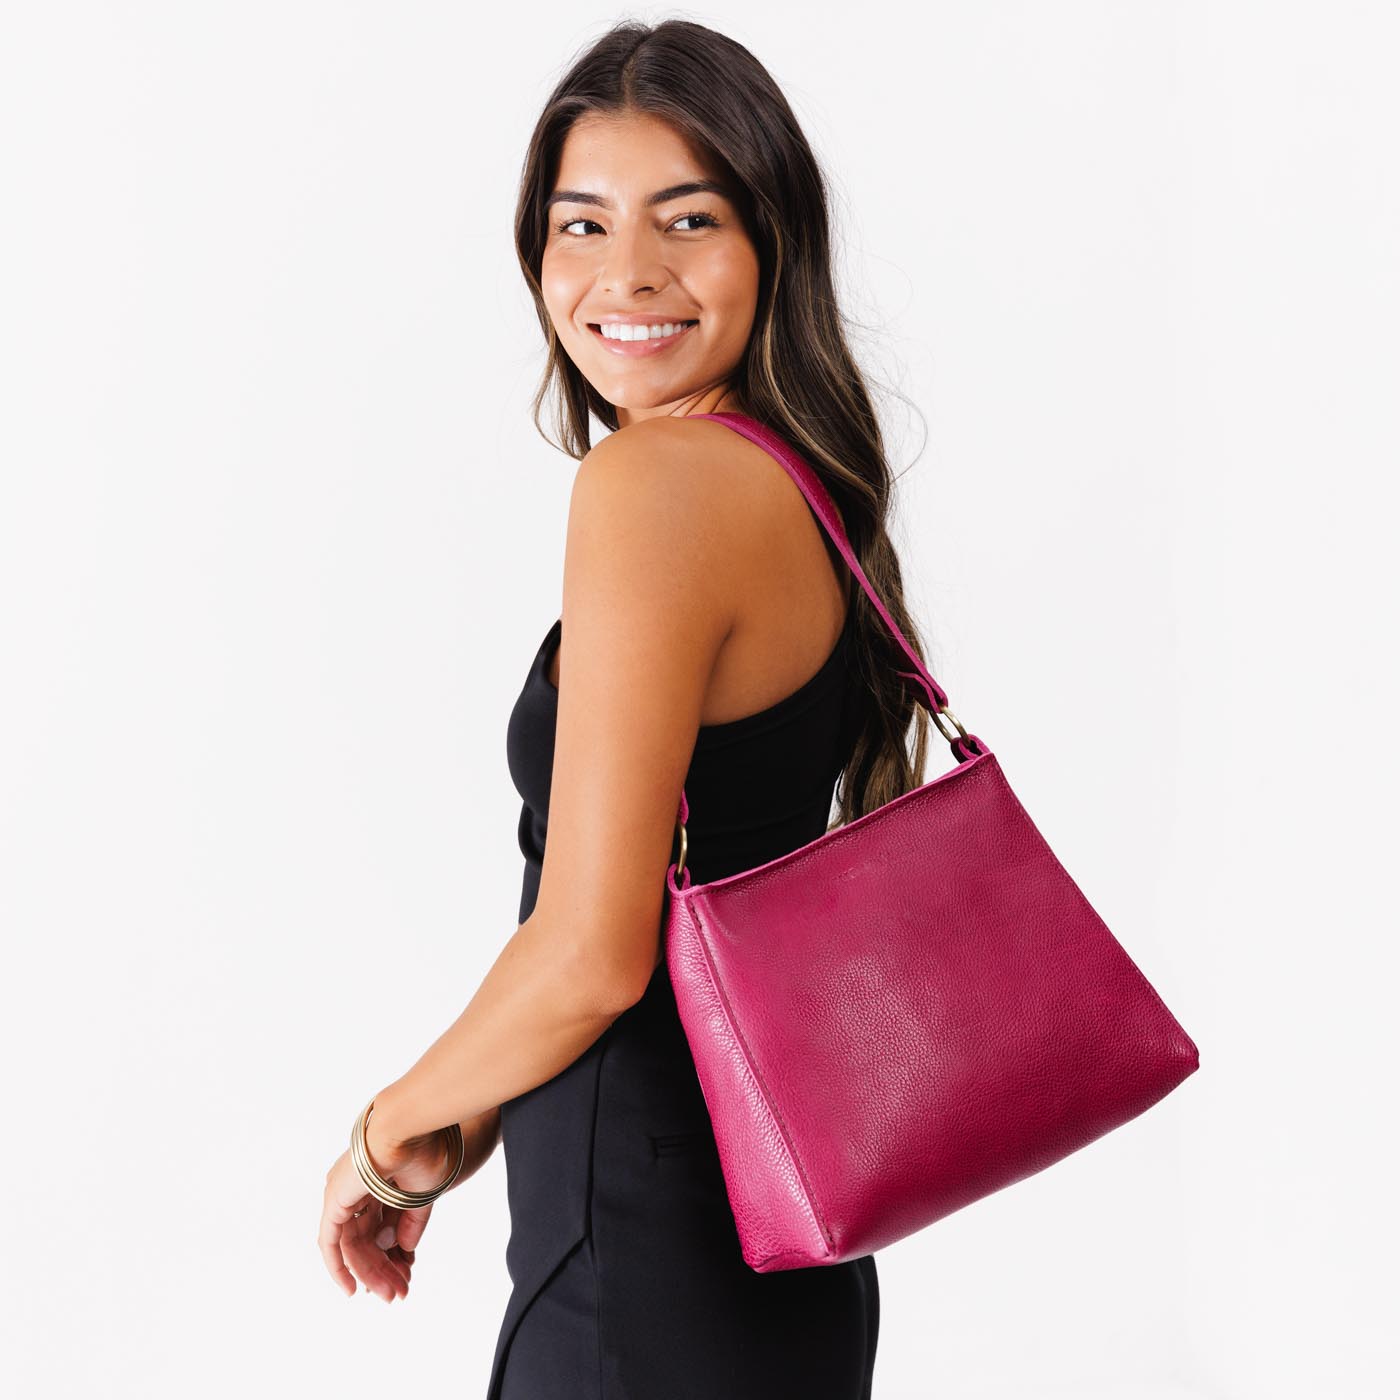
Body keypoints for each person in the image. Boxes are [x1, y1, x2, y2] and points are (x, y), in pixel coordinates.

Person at [317, 19, 944, 1398]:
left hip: (643, 1257)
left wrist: (388, 1129)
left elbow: (597, 952)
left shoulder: (654, 486)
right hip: (776, 1238)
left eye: (689, 219)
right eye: (581, 224)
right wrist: (473, 1106)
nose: (627, 274)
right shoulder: (794, 481)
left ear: (773, 240)